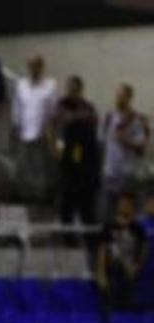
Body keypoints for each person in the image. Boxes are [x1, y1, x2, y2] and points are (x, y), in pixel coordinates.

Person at [11, 56, 58, 204]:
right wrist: (16, 126)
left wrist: (50, 131)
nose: (33, 70)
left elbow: (53, 110)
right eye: (31, 66)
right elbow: (17, 107)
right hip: (24, 131)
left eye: (36, 66)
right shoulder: (22, 85)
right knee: (24, 165)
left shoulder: (49, 86)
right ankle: (26, 194)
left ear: (41, 67)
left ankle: (41, 195)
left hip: (41, 132)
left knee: (40, 166)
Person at [54, 76, 100, 225]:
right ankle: (67, 230)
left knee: (85, 197)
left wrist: (77, 117)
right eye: (69, 88)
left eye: (74, 89)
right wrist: (58, 149)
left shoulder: (87, 106)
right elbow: (60, 125)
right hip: (67, 157)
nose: (71, 92)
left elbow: (92, 118)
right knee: (67, 195)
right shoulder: (62, 104)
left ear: (80, 90)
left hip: (85, 158)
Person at [101, 84, 149, 221]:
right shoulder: (109, 117)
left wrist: (125, 140)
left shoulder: (136, 119)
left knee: (127, 213)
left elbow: (141, 148)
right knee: (108, 214)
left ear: (129, 98)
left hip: (127, 174)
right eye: (117, 96)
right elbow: (103, 141)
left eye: (122, 97)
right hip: (109, 172)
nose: (118, 99)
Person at [97, 193, 147, 313]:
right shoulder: (108, 226)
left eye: (126, 204)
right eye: (121, 204)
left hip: (129, 274)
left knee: (127, 308)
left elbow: (144, 252)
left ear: (132, 207)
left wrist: (136, 268)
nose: (123, 207)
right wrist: (101, 273)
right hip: (111, 273)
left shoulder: (138, 229)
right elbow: (102, 250)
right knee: (109, 308)